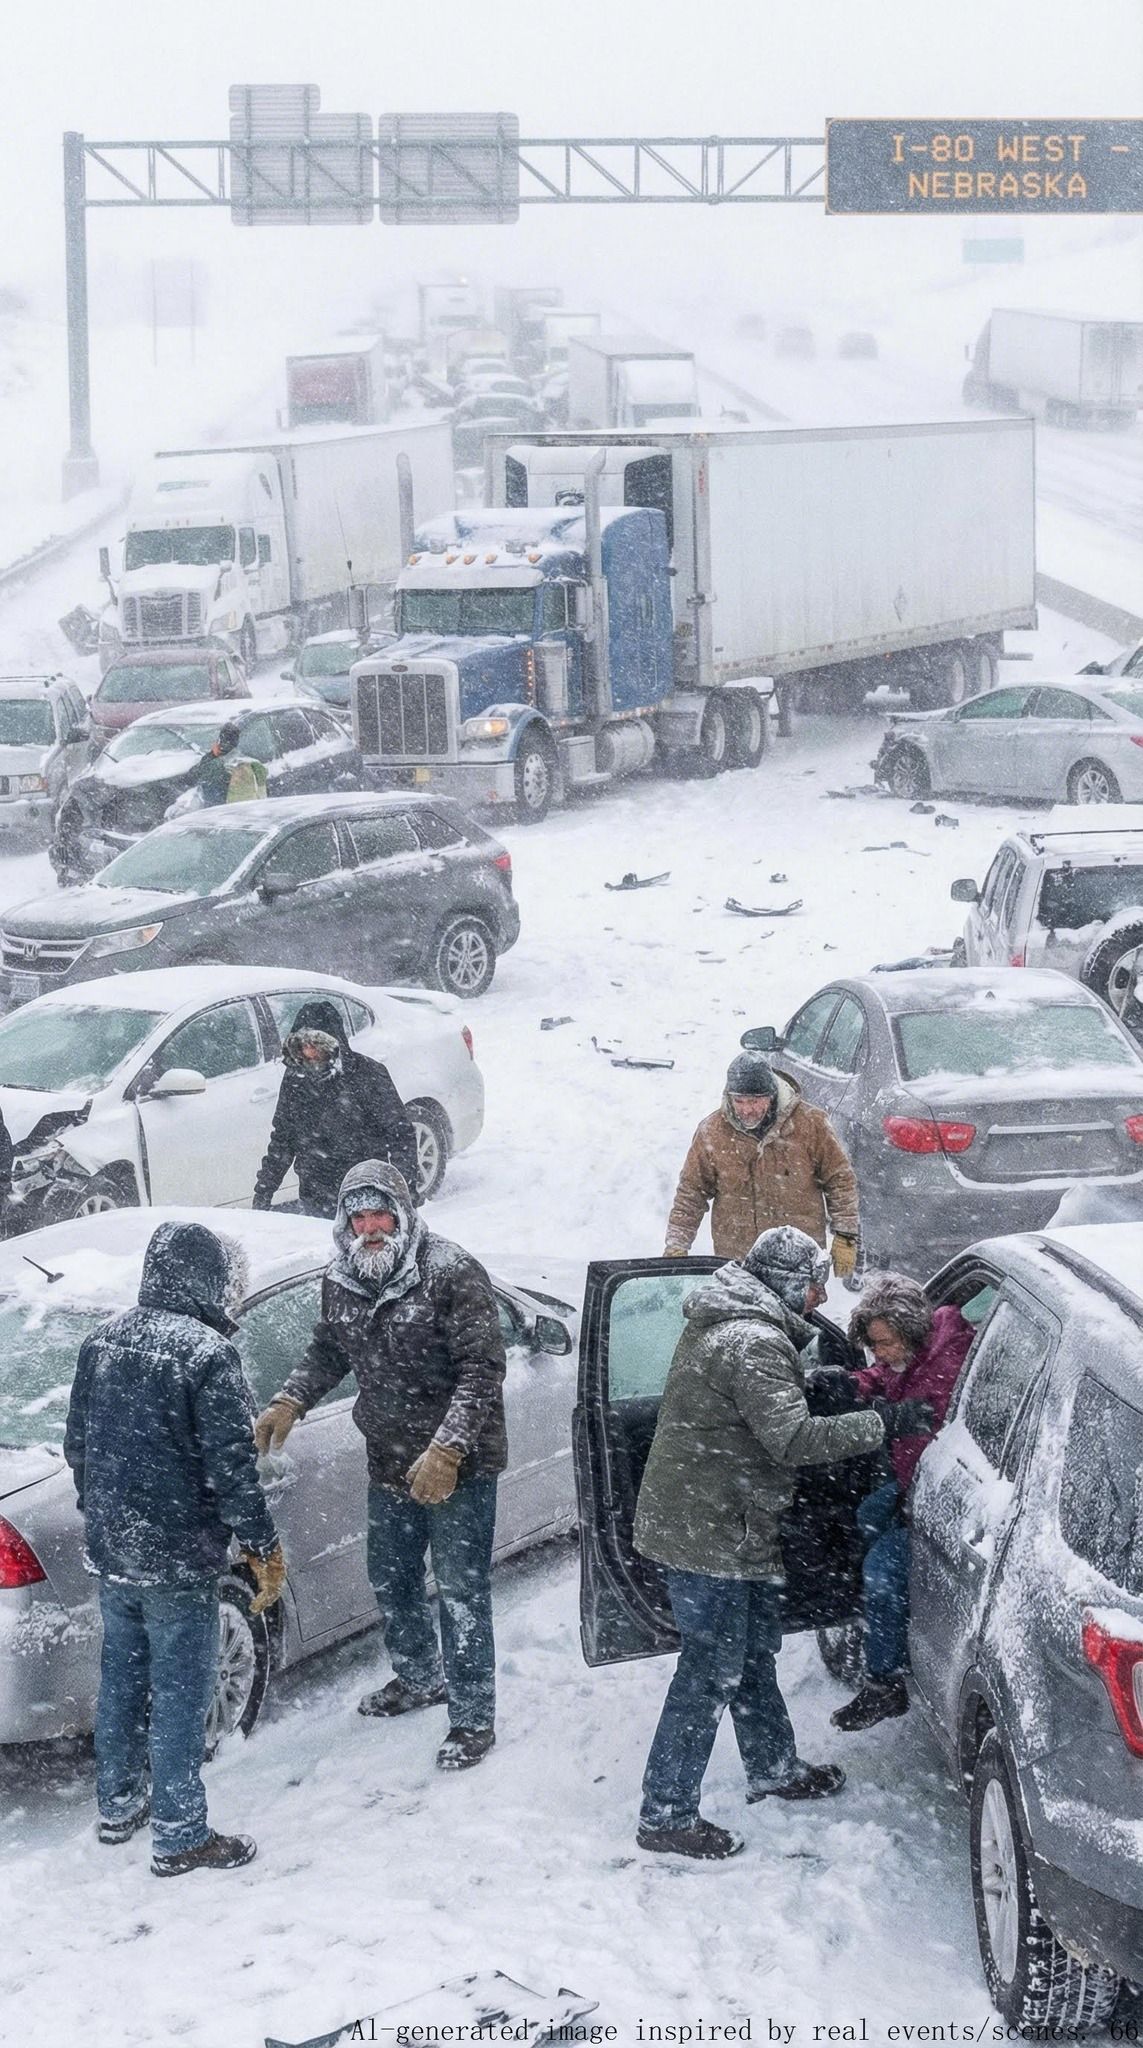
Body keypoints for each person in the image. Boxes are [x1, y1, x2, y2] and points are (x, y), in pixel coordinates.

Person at [632, 1225, 886, 1861]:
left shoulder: (740, 1322)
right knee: (710, 1670)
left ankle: (773, 1768)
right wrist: (883, 1423)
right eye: (814, 1283)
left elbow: (762, 1407)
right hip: (710, 1530)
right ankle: (665, 1815)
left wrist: (818, 1384)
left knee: (749, 1657)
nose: (823, 1295)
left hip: (722, 1518)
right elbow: (795, 1442)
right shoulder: (752, 1341)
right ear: (790, 1285)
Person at [254, 1160, 506, 1772]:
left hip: (458, 1468)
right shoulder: (342, 1278)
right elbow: (329, 1348)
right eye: (358, 1216)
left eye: (380, 1214)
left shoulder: (450, 1272)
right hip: (389, 1457)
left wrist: (448, 1450)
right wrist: (292, 1397)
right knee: (391, 1575)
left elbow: (482, 1370)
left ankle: (473, 1717)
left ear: (403, 1213)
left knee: (461, 1590)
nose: (370, 1227)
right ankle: (420, 1676)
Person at [62, 1221, 285, 1878]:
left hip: (114, 1552)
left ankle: (119, 1805)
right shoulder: (206, 1355)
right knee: (183, 1691)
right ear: (206, 1279)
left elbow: (78, 1447)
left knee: (124, 1682)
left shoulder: (102, 1340)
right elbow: (231, 1469)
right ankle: (181, 1833)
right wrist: (262, 1543)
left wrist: (105, 1514)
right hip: (177, 1557)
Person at [830, 1273, 974, 1733]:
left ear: (910, 1330)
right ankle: (884, 1623)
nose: (881, 1354)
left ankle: (884, 1683)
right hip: (911, 1482)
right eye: (874, 1346)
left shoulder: (947, 1365)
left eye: (884, 1343)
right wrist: (855, 1383)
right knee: (866, 1515)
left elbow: (919, 1409)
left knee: (882, 1572)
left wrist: (883, 1416)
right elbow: (893, 1373)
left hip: (942, 1498)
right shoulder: (921, 1349)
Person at [664, 1050, 860, 1278]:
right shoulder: (712, 1133)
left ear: (772, 1095)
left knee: (796, 1314)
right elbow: (691, 1191)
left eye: (755, 1101)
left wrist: (846, 1234)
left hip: (797, 1259)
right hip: (738, 1260)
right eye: (739, 1101)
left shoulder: (810, 1124)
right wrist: (677, 1244)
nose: (746, 1109)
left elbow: (839, 1179)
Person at [252, 1000, 418, 1219]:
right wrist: (264, 1190)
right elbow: (283, 1138)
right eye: (303, 1044)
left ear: (333, 1043)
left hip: (365, 1191)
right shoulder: (295, 1079)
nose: (310, 1051)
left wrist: (404, 1191)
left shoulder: (368, 1074)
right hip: (315, 1194)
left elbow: (400, 1135)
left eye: (317, 1044)